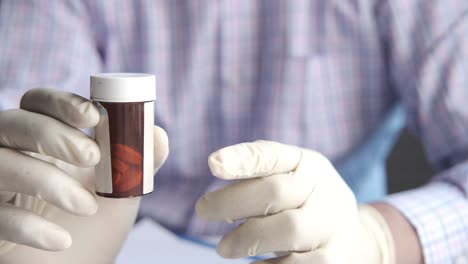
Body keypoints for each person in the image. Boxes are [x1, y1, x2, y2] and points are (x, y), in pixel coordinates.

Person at [0, 0, 467, 263]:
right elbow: (23, 104)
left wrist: (377, 239)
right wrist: (19, 180)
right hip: (122, 246)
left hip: (326, 246)